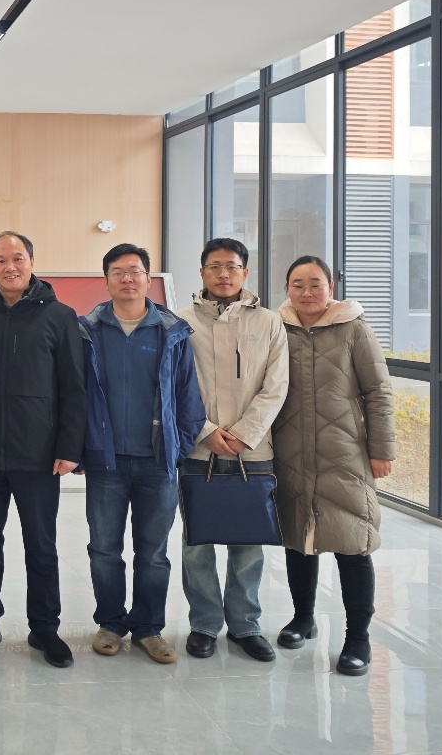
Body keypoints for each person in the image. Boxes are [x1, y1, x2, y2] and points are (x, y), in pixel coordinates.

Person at [0, 231, 85, 669]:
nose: (10, 266)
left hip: (39, 455)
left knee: (41, 545)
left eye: (18, 258)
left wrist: (69, 446)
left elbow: (74, 387)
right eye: (1, 259)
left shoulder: (60, 316)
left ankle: (45, 627)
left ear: (32, 262)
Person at [78, 242, 205, 665]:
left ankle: (149, 628)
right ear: (106, 280)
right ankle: (111, 624)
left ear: (148, 279)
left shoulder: (171, 331)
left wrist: (179, 447)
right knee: (104, 549)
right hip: (106, 461)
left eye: (134, 271)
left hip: (157, 462)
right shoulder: (87, 331)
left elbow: (188, 396)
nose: (127, 278)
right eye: (118, 272)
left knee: (153, 553)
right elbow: (74, 394)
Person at [273, 255, 395, 677]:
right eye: (298, 284)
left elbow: (379, 391)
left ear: (331, 287)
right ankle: (302, 618)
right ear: (287, 289)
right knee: (298, 538)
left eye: (315, 283)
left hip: (345, 454)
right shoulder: (276, 328)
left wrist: (382, 449)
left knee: (353, 543)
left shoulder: (353, 328)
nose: (307, 292)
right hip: (289, 452)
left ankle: (358, 637)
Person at [176, 238, 288, 662]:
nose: (223, 274)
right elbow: (174, 387)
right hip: (198, 450)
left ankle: (245, 625)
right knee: (196, 543)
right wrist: (205, 431)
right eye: (214, 266)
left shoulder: (270, 322)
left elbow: (276, 385)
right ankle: (204, 623)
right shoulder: (180, 322)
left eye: (232, 266)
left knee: (248, 542)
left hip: (252, 450)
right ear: (202, 272)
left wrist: (245, 433)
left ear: (245, 272)